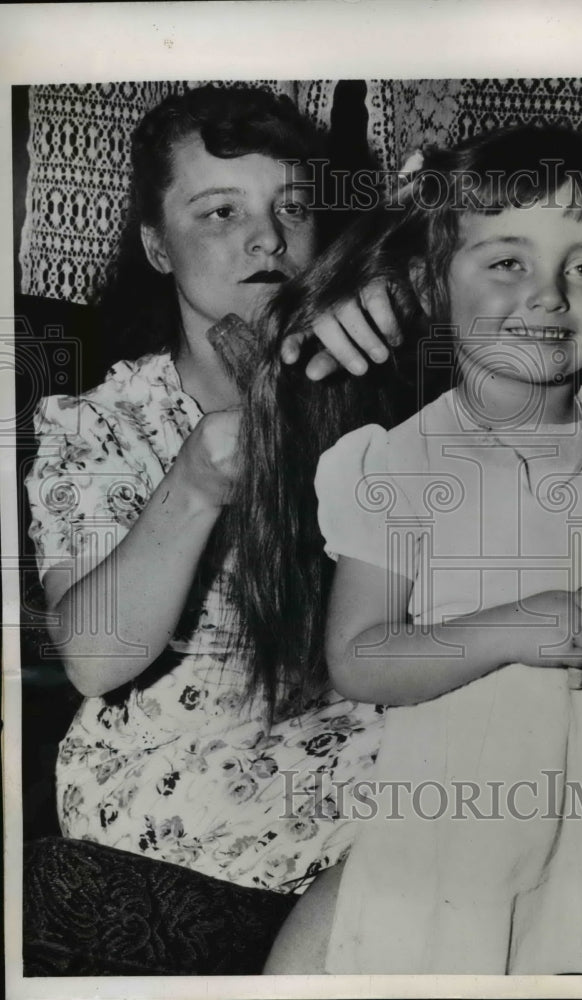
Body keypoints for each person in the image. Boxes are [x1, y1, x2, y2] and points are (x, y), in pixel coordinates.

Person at [244, 125, 582, 973]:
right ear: (432, 285)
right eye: (507, 262)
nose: (548, 296)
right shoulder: (396, 462)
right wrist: (510, 627)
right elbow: (360, 657)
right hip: (478, 813)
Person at [24, 84, 398, 922]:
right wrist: (193, 483)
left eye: (292, 208)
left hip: (363, 807)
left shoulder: (381, 395)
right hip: (171, 819)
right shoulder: (99, 423)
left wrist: (402, 285)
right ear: (158, 247)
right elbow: (93, 657)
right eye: (219, 213)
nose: (266, 236)